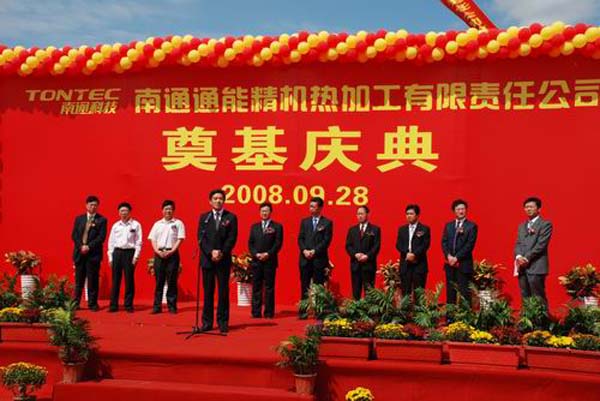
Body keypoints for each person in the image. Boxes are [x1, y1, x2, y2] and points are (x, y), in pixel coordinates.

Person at [198, 189, 238, 334]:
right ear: (210, 201)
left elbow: (232, 238)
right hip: (207, 260)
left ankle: (223, 322)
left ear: (224, 201)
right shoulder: (204, 217)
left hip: (223, 260)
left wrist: (221, 252)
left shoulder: (231, 217)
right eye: (215, 198)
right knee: (208, 292)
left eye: (220, 198)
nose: (218, 201)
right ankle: (207, 322)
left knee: (223, 292)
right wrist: (211, 252)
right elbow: (201, 238)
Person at [297, 197, 333, 317]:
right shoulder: (305, 222)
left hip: (319, 259)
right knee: (304, 285)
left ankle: (319, 312)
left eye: (313, 206)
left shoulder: (327, 223)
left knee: (318, 286)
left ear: (320, 208)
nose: (311, 208)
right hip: (305, 259)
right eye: (310, 206)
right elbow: (300, 239)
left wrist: (314, 251)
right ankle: (303, 311)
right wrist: (304, 250)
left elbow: (326, 241)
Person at [148, 200, 185, 314]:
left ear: (173, 210)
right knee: (159, 281)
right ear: (162, 210)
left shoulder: (178, 223)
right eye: (166, 209)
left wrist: (172, 251)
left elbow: (180, 239)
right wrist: (157, 251)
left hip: (172, 254)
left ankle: (172, 306)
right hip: (159, 254)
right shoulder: (157, 224)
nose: (168, 211)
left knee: (172, 281)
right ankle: (157, 306)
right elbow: (153, 239)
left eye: (170, 209)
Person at [514, 196, 553, 305]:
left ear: (539, 209)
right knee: (525, 295)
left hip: (536, 266)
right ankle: (527, 316)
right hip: (522, 267)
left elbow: (541, 245)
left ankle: (542, 316)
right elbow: (518, 243)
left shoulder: (545, 224)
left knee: (538, 296)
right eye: (526, 207)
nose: (528, 209)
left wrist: (526, 258)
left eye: (531, 207)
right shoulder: (522, 226)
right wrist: (518, 256)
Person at [71, 195, 107, 311]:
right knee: (79, 281)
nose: (93, 207)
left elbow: (101, 237)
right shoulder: (79, 219)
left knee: (93, 280)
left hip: (93, 255)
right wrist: (81, 246)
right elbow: (74, 235)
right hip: (80, 254)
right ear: (86, 205)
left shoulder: (102, 220)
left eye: (95, 205)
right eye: (91, 205)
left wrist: (89, 246)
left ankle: (92, 304)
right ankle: (75, 303)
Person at [248, 202, 283, 318]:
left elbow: (278, 243)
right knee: (256, 287)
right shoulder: (254, 227)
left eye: (266, 211)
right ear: (259, 212)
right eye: (262, 211)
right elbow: (250, 243)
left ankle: (269, 312)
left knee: (269, 288)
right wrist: (256, 254)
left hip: (270, 261)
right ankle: (256, 312)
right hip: (257, 261)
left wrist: (268, 254)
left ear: (270, 212)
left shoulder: (277, 227)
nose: (264, 213)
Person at [107, 202, 142, 313]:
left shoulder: (136, 225)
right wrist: (110, 257)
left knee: (129, 280)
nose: (124, 213)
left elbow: (139, 242)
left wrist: (136, 256)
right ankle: (113, 305)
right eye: (122, 211)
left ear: (130, 212)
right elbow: (111, 242)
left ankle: (128, 305)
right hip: (117, 253)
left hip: (129, 253)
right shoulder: (116, 226)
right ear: (119, 213)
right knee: (115, 280)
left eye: (126, 211)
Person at [441, 199, 478, 305]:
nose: (461, 211)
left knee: (464, 292)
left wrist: (456, 258)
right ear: (454, 211)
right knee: (450, 292)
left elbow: (469, 245)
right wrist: (448, 256)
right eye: (458, 209)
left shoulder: (471, 226)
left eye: (463, 209)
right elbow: (444, 242)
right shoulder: (448, 225)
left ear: (466, 210)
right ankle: (450, 314)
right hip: (450, 264)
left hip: (463, 264)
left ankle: (465, 314)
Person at [345, 205, 381, 300]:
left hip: (368, 265)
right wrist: (355, 254)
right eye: (358, 214)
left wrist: (367, 256)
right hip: (355, 265)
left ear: (367, 214)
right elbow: (348, 246)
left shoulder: (375, 229)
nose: (359, 216)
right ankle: (356, 309)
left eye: (362, 214)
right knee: (356, 292)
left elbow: (376, 246)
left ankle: (369, 309)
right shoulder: (352, 230)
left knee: (369, 292)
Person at [396, 204, 430, 298]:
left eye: (411, 214)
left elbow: (425, 245)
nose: (409, 216)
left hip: (419, 265)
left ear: (417, 215)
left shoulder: (424, 229)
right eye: (407, 214)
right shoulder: (402, 229)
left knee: (419, 295)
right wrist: (407, 253)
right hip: (405, 265)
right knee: (405, 294)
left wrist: (414, 254)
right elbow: (398, 245)